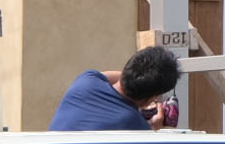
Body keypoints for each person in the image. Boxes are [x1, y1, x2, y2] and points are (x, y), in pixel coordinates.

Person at [48, 45, 183, 132]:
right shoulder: (136, 126)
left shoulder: (86, 81)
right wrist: (153, 127)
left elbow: (119, 77)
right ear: (152, 98)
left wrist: (137, 77)